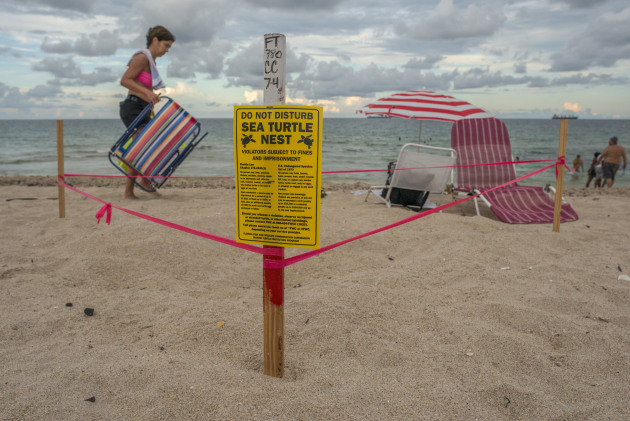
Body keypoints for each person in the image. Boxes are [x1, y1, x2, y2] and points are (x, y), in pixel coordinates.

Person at [119, 25, 175, 199]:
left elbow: (141, 85)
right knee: (142, 147)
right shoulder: (142, 57)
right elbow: (125, 80)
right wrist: (148, 93)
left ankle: (140, 183)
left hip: (142, 108)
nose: (167, 50)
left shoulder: (151, 61)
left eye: (169, 47)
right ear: (155, 40)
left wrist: (150, 99)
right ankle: (135, 187)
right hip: (133, 107)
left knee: (146, 146)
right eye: (166, 45)